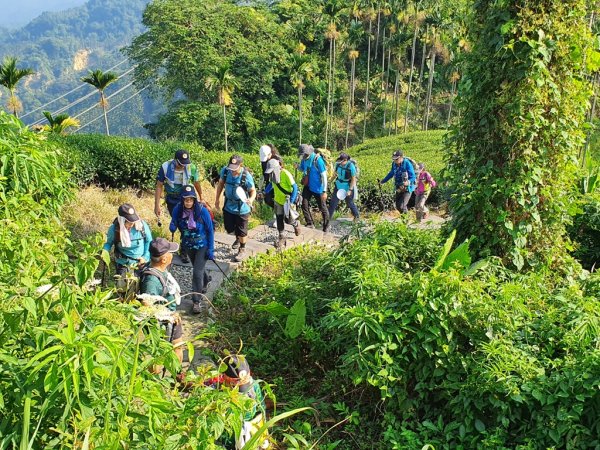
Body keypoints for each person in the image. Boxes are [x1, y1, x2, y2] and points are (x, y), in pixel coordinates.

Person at [138, 237, 184, 366]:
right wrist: (168, 315)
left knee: (178, 347)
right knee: (158, 357)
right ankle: (155, 380)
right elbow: (147, 303)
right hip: (161, 323)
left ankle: (177, 378)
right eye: (171, 253)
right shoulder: (151, 280)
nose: (173, 256)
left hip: (171, 318)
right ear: (164, 259)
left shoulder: (155, 267)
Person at [169, 185, 215, 314]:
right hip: (188, 245)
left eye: (191, 199)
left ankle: (196, 301)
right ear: (182, 200)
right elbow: (174, 222)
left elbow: (210, 230)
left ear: (194, 200)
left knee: (196, 272)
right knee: (197, 267)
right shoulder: (178, 210)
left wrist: (211, 248)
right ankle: (206, 280)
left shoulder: (202, 211)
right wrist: (172, 225)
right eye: (186, 199)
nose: (188, 202)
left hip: (202, 245)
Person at [154, 149, 203, 263]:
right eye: (181, 163)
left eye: (185, 163)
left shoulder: (191, 167)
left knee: (187, 224)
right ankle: (186, 247)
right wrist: (157, 205)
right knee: (180, 223)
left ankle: (185, 251)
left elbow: (196, 183)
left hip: (187, 198)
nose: (183, 166)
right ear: (175, 160)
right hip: (172, 199)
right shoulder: (165, 167)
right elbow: (159, 185)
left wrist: (201, 197)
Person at [215, 155, 257, 262]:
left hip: (242, 208)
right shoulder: (225, 171)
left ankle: (242, 248)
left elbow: (253, 191)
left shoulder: (246, 176)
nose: (232, 171)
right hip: (228, 205)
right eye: (231, 168)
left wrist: (251, 200)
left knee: (242, 230)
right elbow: (220, 184)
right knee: (229, 228)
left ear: (240, 165)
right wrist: (217, 200)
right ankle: (237, 238)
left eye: (235, 168)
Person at [221, 355, 268, 450]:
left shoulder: (254, 386)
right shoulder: (222, 392)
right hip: (232, 428)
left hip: (251, 426)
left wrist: (262, 427)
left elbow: (261, 406)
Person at [103, 203, 152, 276]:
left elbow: (149, 241)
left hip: (141, 263)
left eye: (133, 220)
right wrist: (104, 252)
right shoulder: (114, 229)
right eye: (129, 221)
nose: (132, 223)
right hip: (123, 263)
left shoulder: (141, 226)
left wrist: (145, 257)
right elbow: (108, 243)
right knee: (122, 285)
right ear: (122, 220)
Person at [264, 159, 301, 248]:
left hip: (287, 200)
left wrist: (292, 201)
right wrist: (265, 192)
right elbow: (271, 185)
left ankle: (296, 224)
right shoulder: (272, 176)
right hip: (277, 200)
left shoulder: (285, 174)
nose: (271, 173)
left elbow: (294, 187)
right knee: (279, 218)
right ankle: (281, 236)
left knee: (288, 219)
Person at [296, 144, 329, 232]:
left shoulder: (317, 160)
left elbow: (324, 176)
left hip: (318, 189)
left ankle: (326, 226)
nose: (303, 157)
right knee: (304, 204)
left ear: (308, 153)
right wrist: (297, 167)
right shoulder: (304, 160)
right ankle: (310, 223)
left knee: (322, 207)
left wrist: (324, 191)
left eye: (304, 155)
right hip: (308, 186)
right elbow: (303, 169)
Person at [379, 150, 416, 214]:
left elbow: (413, 176)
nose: (395, 161)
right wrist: (383, 181)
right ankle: (405, 220)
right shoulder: (394, 164)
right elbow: (391, 173)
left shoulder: (407, 163)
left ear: (401, 157)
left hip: (407, 188)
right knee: (398, 206)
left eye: (396, 159)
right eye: (394, 159)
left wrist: (408, 182)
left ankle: (406, 221)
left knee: (402, 206)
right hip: (398, 187)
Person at [328, 152, 359, 221]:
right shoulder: (338, 165)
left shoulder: (351, 166)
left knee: (349, 203)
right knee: (333, 203)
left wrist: (350, 190)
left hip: (347, 186)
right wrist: (329, 182)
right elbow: (335, 175)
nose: (340, 162)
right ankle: (327, 219)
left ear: (345, 160)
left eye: (342, 161)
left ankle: (356, 217)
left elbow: (353, 179)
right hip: (338, 185)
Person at [259, 144, 283, 209]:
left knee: (278, 199)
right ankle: (276, 210)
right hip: (269, 181)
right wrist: (261, 186)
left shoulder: (277, 159)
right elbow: (264, 172)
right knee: (267, 199)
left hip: (278, 181)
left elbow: (280, 173)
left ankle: (279, 212)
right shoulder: (263, 160)